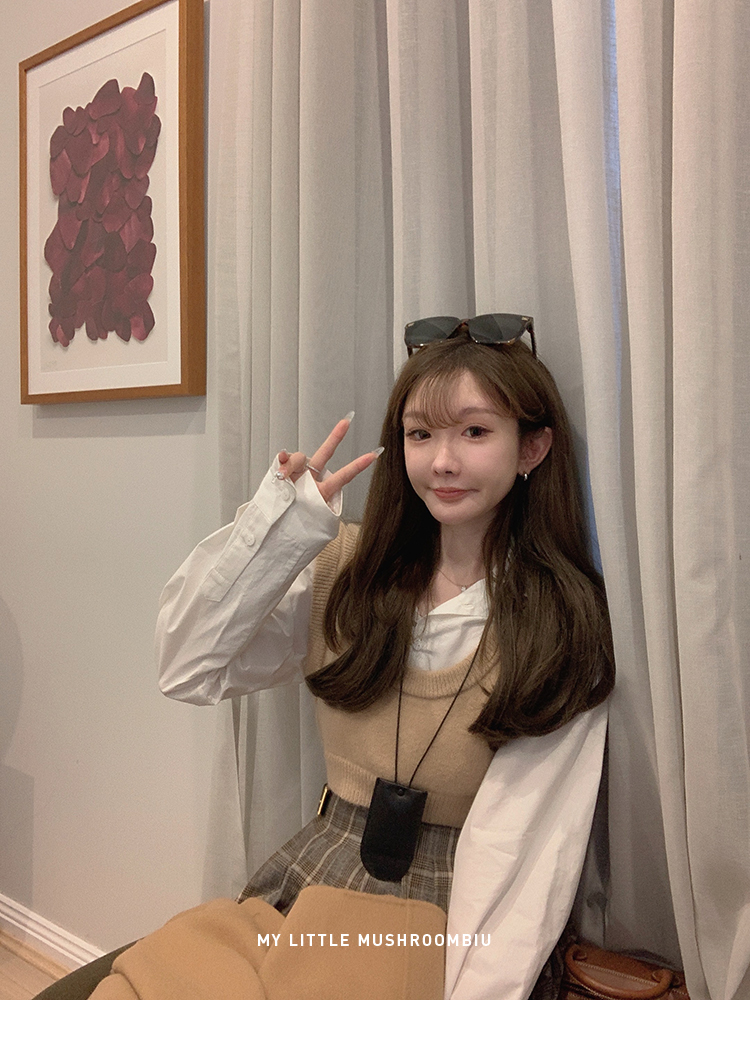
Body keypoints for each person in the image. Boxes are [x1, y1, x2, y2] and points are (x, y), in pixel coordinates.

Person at [155, 314, 615, 999]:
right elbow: (187, 668)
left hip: (459, 909)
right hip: (320, 871)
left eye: (475, 431)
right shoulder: (346, 573)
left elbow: (526, 853)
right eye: (420, 433)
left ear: (533, 448)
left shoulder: (558, 623)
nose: (442, 461)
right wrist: (279, 531)